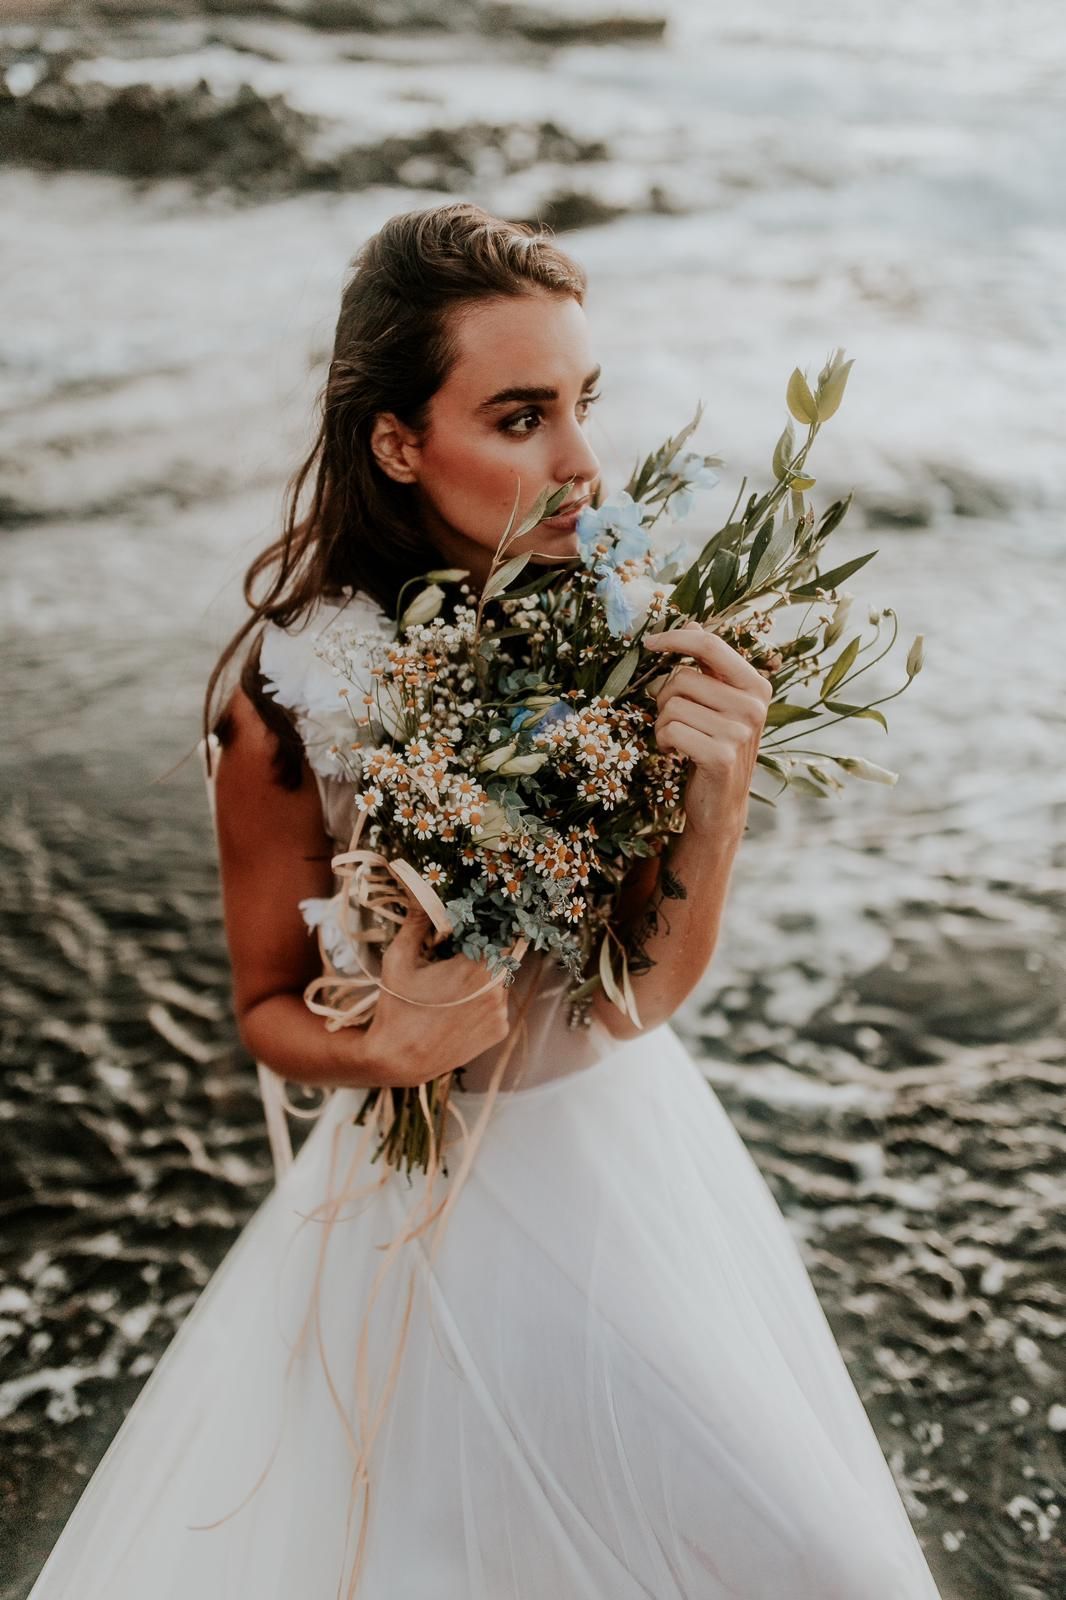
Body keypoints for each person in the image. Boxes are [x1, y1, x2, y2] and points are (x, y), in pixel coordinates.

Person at [25, 202, 943, 1599]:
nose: (580, 462)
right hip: (415, 1209)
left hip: (622, 1166)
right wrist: (382, 1049)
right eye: (520, 417)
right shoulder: (289, 703)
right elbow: (267, 1008)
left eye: (583, 403)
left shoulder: (629, 648)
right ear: (399, 441)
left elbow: (637, 995)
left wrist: (717, 784)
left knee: (822, 1566)